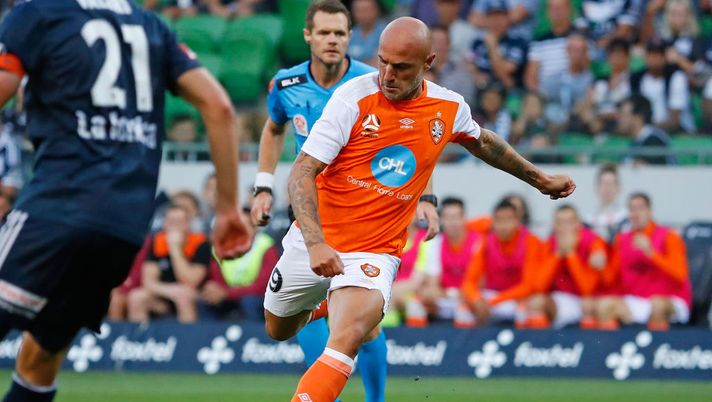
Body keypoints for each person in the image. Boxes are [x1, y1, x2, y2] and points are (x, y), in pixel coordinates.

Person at [263, 17, 575, 402]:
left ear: (429, 61)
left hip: (374, 251)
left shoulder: (446, 107)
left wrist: (540, 180)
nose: (388, 75)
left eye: (401, 67)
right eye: (383, 62)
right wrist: (314, 244)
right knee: (277, 329)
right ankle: (325, 301)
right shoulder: (352, 99)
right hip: (318, 239)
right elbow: (301, 173)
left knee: (347, 337)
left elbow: (486, 143)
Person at [0, 1, 251, 400]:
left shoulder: (38, 14)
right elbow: (219, 107)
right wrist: (226, 208)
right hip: (124, 229)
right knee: (39, 361)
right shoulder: (151, 26)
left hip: (56, 209)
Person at [249, 2, 434, 401]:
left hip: (366, 213)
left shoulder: (377, 80)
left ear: (350, 37)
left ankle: (371, 398)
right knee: (297, 326)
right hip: (310, 208)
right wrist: (262, 186)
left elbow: (420, 139)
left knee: (362, 328)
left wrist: (427, 197)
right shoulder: (286, 84)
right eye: (325, 33)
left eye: (340, 33)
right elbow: (273, 128)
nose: (333, 40)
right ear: (308, 36)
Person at [498, 205, 608, 329]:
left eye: (569, 222)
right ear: (554, 225)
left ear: (578, 223)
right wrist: (558, 255)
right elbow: (539, 285)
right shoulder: (548, 244)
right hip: (559, 299)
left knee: (588, 304)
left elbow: (587, 289)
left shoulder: (593, 242)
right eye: (560, 223)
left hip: (586, 300)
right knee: (535, 302)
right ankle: (539, 344)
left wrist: (571, 255)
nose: (565, 228)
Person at [597, 193, 692, 331]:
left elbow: (680, 274)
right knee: (605, 306)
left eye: (640, 208)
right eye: (632, 209)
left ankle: (659, 349)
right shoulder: (622, 240)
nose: (636, 213)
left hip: (671, 299)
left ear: (650, 211)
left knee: (657, 305)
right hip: (638, 300)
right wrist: (601, 265)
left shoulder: (669, 236)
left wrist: (651, 253)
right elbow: (611, 278)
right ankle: (611, 350)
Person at [459, 200, 542, 328]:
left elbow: (529, 285)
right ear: (493, 222)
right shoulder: (485, 242)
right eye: (499, 220)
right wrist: (476, 300)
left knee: (532, 306)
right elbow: (469, 281)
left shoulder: (531, 241)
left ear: (517, 221)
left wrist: (496, 301)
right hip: (492, 296)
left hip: (516, 299)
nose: (503, 226)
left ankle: (528, 345)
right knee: (464, 306)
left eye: (508, 220)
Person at [127, 205, 211, 323]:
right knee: (136, 297)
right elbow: (148, 281)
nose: (174, 226)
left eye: (179, 222)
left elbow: (191, 281)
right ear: (165, 224)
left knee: (184, 296)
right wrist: (170, 291)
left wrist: (175, 248)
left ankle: (187, 339)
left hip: (195, 294)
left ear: (187, 224)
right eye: (171, 221)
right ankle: (138, 339)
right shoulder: (157, 242)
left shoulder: (200, 243)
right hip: (165, 293)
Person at [201, 207, 278, 321]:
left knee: (249, 302)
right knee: (205, 301)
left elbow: (265, 286)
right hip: (229, 295)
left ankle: (254, 337)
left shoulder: (266, 246)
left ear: (254, 228)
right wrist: (213, 290)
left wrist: (227, 293)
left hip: (259, 297)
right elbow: (217, 279)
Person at [413, 197, 480, 325]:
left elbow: (480, 282)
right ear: (441, 220)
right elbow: (433, 284)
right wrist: (449, 294)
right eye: (448, 218)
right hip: (444, 300)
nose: (452, 223)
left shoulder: (477, 243)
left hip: (469, 299)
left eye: (456, 217)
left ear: (464, 218)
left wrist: (463, 295)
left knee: (467, 308)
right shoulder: (435, 244)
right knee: (416, 302)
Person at [631, 38, 695, 134]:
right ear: (646, 56)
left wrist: (647, 128)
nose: (655, 59)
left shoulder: (676, 77)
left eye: (659, 55)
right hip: (646, 132)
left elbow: (675, 121)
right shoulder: (636, 78)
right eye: (651, 54)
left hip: (679, 133)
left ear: (665, 57)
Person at [467, 0, 528, 90]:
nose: (497, 21)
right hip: (480, 89)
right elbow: (469, 62)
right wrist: (476, 75)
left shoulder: (517, 42)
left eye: (501, 17)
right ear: (486, 20)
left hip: (507, 92)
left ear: (508, 18)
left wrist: (492, 46)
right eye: (493, 17)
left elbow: (504, 71)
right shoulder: (478, 42)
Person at [618, 95, 675, 165]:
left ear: (638, 118)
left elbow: (651, 169)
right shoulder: (636, 141)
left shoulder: (655, 141)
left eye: (623, 115)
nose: (619, 119)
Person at [585, 163, 628, 243]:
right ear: (597, 188)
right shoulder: (588, 220)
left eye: (611, 184)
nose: (608, 188)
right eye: (604, 184)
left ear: (619, 188)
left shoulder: (627, 217)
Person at [348, 0, 386, 67]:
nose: (363, 14)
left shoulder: (386, 33)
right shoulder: (350, 34)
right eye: (358, 10)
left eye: (366, 10)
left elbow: (381, 63)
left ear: (376, 10)